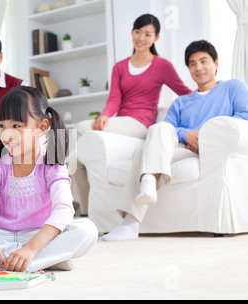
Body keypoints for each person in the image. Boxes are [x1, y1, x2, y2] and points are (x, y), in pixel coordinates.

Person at [0, 86, 98, 272]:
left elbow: (64, 210)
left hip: (39, 237)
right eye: (3, 126)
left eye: (16, 126)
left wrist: (30, 249)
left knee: (87, 230)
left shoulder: (52, 162)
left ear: (42, 127)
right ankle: (41, 260)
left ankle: (6, 260)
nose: (7, 135)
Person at [103, 40, 248, 241]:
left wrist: (205, 134)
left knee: (142, 153)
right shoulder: (181, 102)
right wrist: (186, 134)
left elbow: (244, 116)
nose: (198, 68)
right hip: (185, 148)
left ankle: (133, 216)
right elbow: (167, 128)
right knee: (155, 132)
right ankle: (140, 200)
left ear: (216, 63)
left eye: (203, 61)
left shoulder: (233, 87)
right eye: (192, 63)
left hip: (214, 149)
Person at [70, 14, 192, 216]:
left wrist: (207, 102)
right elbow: (114, 99)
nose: (141, 38)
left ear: (156, 38)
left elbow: (185, 93)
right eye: (138, 32)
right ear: (132, 33)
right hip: (121, 123)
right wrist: (105, 115)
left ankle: (76, 205)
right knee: (76, 157)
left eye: (147, 34)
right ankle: (85, 211)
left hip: (140, 124)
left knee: (80, 128)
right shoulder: (119, 67)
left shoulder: (162, 65)